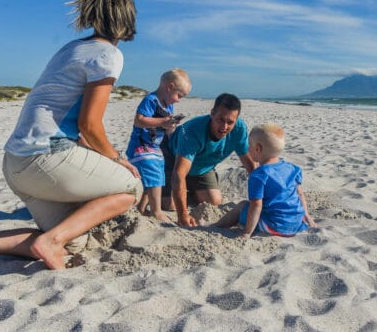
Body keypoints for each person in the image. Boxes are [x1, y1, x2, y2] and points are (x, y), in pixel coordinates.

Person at [0, 0, 143, 276]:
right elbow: (89, 125)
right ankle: (50, 241)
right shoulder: (108, 54)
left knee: (74, 242)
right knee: (131, 186)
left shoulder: (71, 49)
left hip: (15, 162)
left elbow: (73, 124)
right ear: (126, 18)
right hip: (46, 158)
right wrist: (118, 159)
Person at [164, 93, 257, 227]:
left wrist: (262, 200)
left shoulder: (239, 129)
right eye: (220, 120)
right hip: (173, 160)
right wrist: (182, 214)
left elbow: (251, 166)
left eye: (230, 122)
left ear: (236, 120)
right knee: (170, 205)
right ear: (212, 113)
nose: (224, 126)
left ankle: (187, 190)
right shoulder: (193, 131)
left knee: (215, 201)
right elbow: (179, 173)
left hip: (202, 168)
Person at [215, 123, 316, 238]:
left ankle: (217, 226)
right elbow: (300, 194)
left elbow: (256, 205)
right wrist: (307, 217)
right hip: (297, 224)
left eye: (249, 145)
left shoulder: (259, 175)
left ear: (257, 149)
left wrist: (247, 232)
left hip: (274, 226)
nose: (248, 148)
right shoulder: (293, 168)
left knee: (243, 206)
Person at [125, 68, 191, 221]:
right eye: (179, 95)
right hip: (141, 146)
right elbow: (139, 120)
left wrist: (170, 126)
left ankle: (141, 207)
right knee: (153, 172)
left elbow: (165, 127)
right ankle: (157, 211)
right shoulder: (151, 100)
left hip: (154, 147)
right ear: (170, 87)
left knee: (158, 174)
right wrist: (163, 122)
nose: (179, 100)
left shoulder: (168, 105)